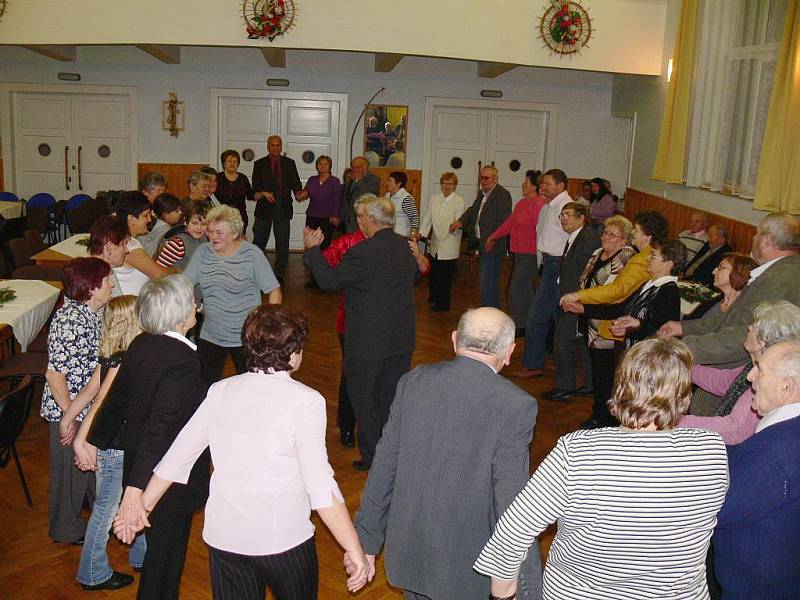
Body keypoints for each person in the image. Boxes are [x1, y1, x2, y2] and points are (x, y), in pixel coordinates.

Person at [113, 305, 372, 599]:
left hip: (225, 541)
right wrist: (354, 548)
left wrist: (143, 506)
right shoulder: (307, 402)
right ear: (294, 353)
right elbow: (321, 486)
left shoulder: (219, 391)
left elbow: (178, 456)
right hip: (283, 542)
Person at [475, 337, 729, 600]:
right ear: (685, 395)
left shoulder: (578, 451)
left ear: (620, 386)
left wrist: (503, 596)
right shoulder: (711, 449)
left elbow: (513, 531)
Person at [354, 308, 542, 600]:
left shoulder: (414, 381)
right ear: (509, 351)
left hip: (411, 552)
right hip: (469, 568)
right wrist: (527, 586)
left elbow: (385, 463)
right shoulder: (516, 404)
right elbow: (511, 500)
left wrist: (366, 540)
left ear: (455, 340)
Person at [92, 275, 210, 599]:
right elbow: (162, 427)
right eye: (191, 304)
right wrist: (135, 492)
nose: (196, 309)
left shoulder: (141, 343)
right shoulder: (184, 362)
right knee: (165, 563)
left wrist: (93, 442)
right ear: (179, 313)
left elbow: (117, 400)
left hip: (140, 465)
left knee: (157, 553)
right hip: (167, 480)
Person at [304, 194, 423, 471]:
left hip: (368, 342)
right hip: (401, 339)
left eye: (360, 218)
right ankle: (389, 455)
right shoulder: (407, 247)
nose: (359, 223)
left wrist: (312, 250)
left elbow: (329, 281)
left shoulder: (362, 252)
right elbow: (415, 276)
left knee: (364, 399)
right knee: (388, 399)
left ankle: (373, 458)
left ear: (371, 220)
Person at [659, 213, 800, 387]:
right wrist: (682, 327)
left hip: (734, 374)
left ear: (766, 240)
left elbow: (746, 333)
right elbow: (734, 315)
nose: (753, 238)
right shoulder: (782, 271)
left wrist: (684, 349)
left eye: (756, 233)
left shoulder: (780, 278)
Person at [560, 210, 669, 426]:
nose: (633, 236)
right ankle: (602, 415)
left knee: (609, 376)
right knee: (603, 374)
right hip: (599, 318)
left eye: (636, 231)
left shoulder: (639, 259)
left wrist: (579, 296)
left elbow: (618, 291)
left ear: (647, 235)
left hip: (613, 323)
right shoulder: (637, 256)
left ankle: (606, 418)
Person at [713, 339, 800, 599]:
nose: (750, 376)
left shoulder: (776, 452)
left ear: (787, 387)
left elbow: (717, 510)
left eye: (759, 369)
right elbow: (741, 455)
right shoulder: (783, 433)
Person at [72, 295, 145, 591]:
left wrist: (68, 420)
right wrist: (82, 440)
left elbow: (91, 391)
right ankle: (92, 572)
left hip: (118, 446)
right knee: (106, 508)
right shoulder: (122, 363)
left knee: (131, 499)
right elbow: (99, 402)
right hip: (116, 448)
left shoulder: (111, 356)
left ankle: (141, 555)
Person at [41, 257, 115, 544]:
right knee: (68, 477)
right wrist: (69, 417)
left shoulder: (91, 312)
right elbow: (54, 375)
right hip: (68, 407)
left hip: (80, 408)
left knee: (81, 471)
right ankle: (65, 529)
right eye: (108, 281)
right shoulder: (70, 320)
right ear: (92, 287)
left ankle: (96, 518)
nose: (112, 286)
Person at [182, 205, 282, 385]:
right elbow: (184, 284)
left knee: (251, 389)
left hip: (247, 336)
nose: (212, 237)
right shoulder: (203, 252)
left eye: (219, 232)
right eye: (210, 231)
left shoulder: (252, 254)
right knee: (201, 387)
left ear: (235, 233)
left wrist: (266, 325)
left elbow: (274, 291)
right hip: (211, 334)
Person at [680, 300, 800, 444]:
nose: (749, 327)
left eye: (754, 327)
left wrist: (673, 421)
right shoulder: (753, 367)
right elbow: (721, 381)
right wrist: (681, 366)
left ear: (761, 342)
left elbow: (734, 429)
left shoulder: (764, 383)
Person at [572, 215, 637, 426]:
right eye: (605, 232)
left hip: (607, 325)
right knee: (596, 371)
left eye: (613, 234)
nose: (606, 237)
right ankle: (598, 412)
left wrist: (585, 302)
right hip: (589, 318)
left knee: (606, 374)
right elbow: (585, 280)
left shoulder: (626, 257)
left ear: (624, 239)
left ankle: (605, 418)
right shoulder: (597, 253)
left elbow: (612, 293)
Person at [320, 196, 371, 447]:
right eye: (358, 215)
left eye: (366, 215)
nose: (362, 221)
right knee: (350, 374)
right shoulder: (348, 241)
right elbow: (325, 263)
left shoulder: (386, 241)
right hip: (349, 320)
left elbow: (422, 270)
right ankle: (347, 425)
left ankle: (371, 425)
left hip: (378, 322)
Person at [514, 168, 572, 377]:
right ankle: (560, 359)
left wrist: (558, 271)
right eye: (542, 184)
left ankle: (533, 364)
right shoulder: (548, 206)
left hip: (557, 265)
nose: (542, 187)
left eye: (547, 184)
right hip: (548, 263)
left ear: (561, 186)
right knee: (558, 316)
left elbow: (571, 242)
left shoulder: (566, 207)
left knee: (536, 315)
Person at [544, 202, 600, 400]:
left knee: (563, 341)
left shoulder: (587, 240)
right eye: (561, 215)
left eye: (568, 215)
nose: (563, 219)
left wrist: (577, 299)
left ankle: (565, 388)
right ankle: (590, 385)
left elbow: (585, 274)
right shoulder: (578, 237)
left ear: (581, 218)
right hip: (572, 297)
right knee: (583, 343)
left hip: (576, 300)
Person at [484, 169, 545, 331]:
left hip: (531, 254)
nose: (523, 184)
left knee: (517, 289)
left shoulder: (539, 205)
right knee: (523, 289)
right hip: (519, 253)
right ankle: (527, 321)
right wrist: (493, 237)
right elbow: (509, 223)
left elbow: (542, 230)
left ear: (534, 186)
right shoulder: (522, 203)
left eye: (526, 182)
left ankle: (521, 324)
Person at [450, 164, 512, 308]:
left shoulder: (503, 195)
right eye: (481, 178)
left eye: (486, 178)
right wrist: (460, 222)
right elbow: (473, 210)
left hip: (493, 245)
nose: (483, 181)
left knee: (488, 281)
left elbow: (504, 221)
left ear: (495, 179)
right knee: (485, 281)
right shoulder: (482, 194)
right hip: (482, 243)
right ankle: (487, 310)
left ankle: (490, 312)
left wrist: (493, 238)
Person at [251, 134, 308, 282]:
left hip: (283, 207)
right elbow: (255, 187)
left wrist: (299, 193)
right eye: (272, 145)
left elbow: (296, 183)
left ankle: (279, 273)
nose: (275, 147)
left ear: (281, 146)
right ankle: (257, 272)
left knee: (282, 243)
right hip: (264, 208)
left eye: (278, 145)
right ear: (268, 146)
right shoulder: (259, 164)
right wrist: (263, 194)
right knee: (259, 242)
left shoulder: (290, 163)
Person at [419, 171, 465, 312]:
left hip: (450, 243)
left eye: (450, 183)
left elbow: (458, 221)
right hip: (435, 243)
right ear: (441, 184)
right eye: (444, 183)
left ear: (455, 186)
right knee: (434, 274)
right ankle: (433, 298)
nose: (447, 186)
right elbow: (428, 218)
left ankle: (443, 304)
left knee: (445, 277)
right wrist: (421, 232)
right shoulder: (434, 199)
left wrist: (454, 227)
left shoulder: (459, 201)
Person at [114, 191, 172, 295]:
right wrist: (179, 270)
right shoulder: (127, 245)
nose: (149, 219)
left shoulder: (129, 241)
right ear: (131, 219)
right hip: (128, 307)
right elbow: (160, 276)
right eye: (145, 215)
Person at [686, 252, 755, 320]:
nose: (713, 272)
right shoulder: (714, 301)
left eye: (721, 267)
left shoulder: (743, 311)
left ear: (738, 273)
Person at [301, 154, 341, 252]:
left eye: (325, 164)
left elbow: (337, 199)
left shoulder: (334, 181)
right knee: (310, 242)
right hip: (312, 215)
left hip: (327, 217)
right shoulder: (312, 179)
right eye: (320, 164)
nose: (322, 166)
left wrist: (335, 215)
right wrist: (301, 195)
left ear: (329, 166)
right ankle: (311, 263)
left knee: (325, 243)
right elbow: (305, 193)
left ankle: (323, 264)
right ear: (317, 166)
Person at [156, 199, 209, 270]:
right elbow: (158, 271)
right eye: (194, 223)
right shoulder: (177, 244)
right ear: (186, 221)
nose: (199, 228)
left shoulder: (204, 239)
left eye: (204, 224)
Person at [88, 214, 131, 297]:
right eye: (124, 244)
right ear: (109, 245)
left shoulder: (105, 270)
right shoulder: (97, 284)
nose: (127, 250)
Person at [340, 156, 381, 233]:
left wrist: (358, 180)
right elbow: (346, 198)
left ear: (365, 167)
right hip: (349, 219)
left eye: (358, 167)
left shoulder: (374, 179)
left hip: (364, 219)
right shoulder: (351, 179)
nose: (354, 170)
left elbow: (369, 195)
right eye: (353, 167)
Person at [215, 149, 253, 232]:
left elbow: (251, 195)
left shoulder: (243, 178)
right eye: (229, 161)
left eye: (235, 161)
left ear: (238, 163)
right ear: (224, 163)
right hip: (221, 217)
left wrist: (263, 194)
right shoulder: (217, 178)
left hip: (240, 217)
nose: (232, 163)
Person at [138, 192, 182, 257]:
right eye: (176, 211)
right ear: (165, 215)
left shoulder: (153, 225)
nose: (180, 212)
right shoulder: (168, 231)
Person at [385, 170, 419, 238]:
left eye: (390, 181)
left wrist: (412, 238)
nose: (387, 183)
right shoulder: (387, 196)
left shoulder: (406, 198)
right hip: (388, 237)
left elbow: (415, 219)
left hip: (401, 238)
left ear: (398, 183)